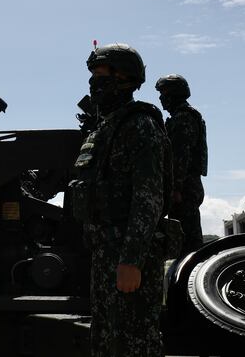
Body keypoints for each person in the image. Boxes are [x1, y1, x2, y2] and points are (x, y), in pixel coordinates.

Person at [71, 43, 168, 357]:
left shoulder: (140, 125)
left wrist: (131, 260)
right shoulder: (104, 129)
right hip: (105, 251)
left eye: (100, 74)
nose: (93, 82)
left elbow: (148, 197)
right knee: (106, 339)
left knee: (135, 340)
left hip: (128, 254)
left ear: (123, 77)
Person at [155, 74, 207, 256]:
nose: (161, 98)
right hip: (187, 184)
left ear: (174, 94)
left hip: (184, 186)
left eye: (164, 93)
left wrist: (175, 188)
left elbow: (180, 156)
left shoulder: (183, 118)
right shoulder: (185, 116)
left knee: (187, 239)